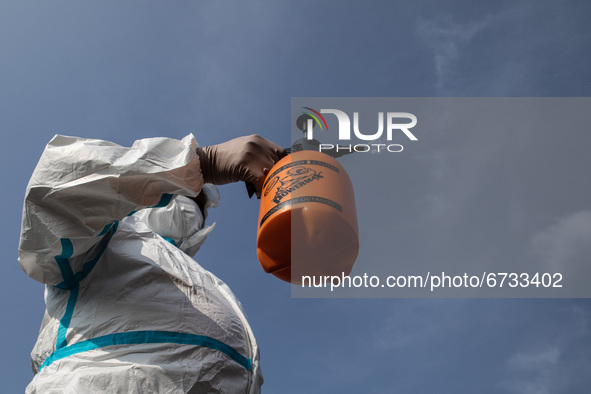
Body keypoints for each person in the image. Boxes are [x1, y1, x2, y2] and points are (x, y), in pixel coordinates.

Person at [18, 133, 286, 393]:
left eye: (200, 202)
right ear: (149, 195)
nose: (194, 205)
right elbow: (58, 190)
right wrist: (198, 165)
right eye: (187, 193)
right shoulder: (104, 240)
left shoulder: (199, 278)